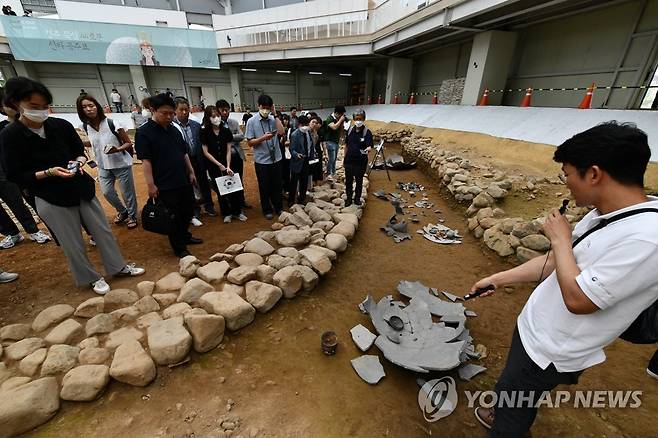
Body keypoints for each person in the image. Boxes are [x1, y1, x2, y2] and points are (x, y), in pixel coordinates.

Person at [471, 121, 658, 437]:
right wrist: (498, 278)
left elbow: (580, 300)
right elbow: (558, 264)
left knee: (513, 414)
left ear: (595, 174)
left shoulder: (646, 240)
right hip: (535, 334)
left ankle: (505, 423)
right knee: (511, 389)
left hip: (550, 352)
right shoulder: (603, 212)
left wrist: (559, 239)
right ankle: (503, 410)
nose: (567, 184)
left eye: (568, 174)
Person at [0, 77, 145, 295]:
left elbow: (79, 150)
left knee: (102, 231)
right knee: (72, 242)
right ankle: (91, 277)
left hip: (80, 188)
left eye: (44, 106)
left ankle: (118, 267)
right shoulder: (10, 135)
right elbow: (15, 174)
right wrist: (48, 172)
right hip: (50, 196)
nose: (40, 111)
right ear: (15, 104)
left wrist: (79, 162)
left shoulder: (60, 125)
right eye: (33, 107)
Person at [135, 93, 201, 258]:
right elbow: (146, 161)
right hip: (164, 183)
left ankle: (185, 236)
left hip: (182, 178)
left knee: (187, 211)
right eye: (165, 113)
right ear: (153, 110)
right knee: (173, 216)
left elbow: (184, 152)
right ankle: (179, 246)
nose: (169, 116)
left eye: (171, 113)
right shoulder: (144, 133)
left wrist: (191, 171)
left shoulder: (174, 129)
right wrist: (151, 185)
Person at [0, 87, 52, 249]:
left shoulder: (22, 127)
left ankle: (33, 229)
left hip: (11, 172)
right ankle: (11, 232)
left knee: (18, 201)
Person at [77, 94, 138, 229]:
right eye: (84, 107)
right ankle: (123, 211)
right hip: (103, 166)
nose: (88, 109)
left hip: (121, 164)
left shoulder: (112, 123)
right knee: (107, 192)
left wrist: (117, 149)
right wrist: (80, 143)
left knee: (127, 193)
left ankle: (132, 215)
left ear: (97, 107)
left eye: (91, 105)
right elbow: (94, 143)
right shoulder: (85, 127)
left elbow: (128, 143)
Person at [172, 96, 216, 226]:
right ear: (175, 110)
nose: (184, 112)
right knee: (189, 186)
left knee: (203, 183)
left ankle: (209, 206)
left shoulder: (196, 125)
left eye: (186, 109)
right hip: (184, 161)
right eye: (181, 110)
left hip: (198, 159)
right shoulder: (172, 127)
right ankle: (195, 209)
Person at [201, 106, 246, 223]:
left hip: (228, 163)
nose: (216, 118)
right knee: (221, 189)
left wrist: (228, 165)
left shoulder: (226, 131)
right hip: (213, 165)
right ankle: (226, 213)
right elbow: (205, 152)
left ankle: (237, 212)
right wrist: (219, 164)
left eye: (218, 115)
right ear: (208, 118)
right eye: (213, 116)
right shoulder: (204, 132)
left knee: (233, 188)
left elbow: (228, 150)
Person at [245, 95, 284, 219]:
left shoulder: (273, 119)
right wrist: (262, 138)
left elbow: (282, 132)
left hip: (276, 158)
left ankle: (278, 207)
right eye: (264, 108)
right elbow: (250, 142)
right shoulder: (251, 121)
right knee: (264, 186)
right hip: (262, 161)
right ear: (259, 106)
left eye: (268, 108)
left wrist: (275, 115)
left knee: (277, 185)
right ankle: (266, 209)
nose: (265, 110)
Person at [216, 99, 251, 209]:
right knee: (226, 180)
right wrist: (230, 137)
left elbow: (241, 136)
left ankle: (241, 201)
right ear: (218, 111)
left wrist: (228, 137)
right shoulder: (215, 124)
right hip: (224, 159)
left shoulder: (234, 122)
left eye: (227, 110)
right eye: (223, 110)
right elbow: (217, 140)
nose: (225, 112)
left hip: (237, 156)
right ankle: (230, 203)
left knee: (239, 179)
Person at [343, 109, 373, 207]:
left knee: (359, 181)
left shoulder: (367, 132)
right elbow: (346, 145)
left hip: (360, 162)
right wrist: (344, 157)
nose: (358, 120)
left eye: (360, 119)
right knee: (348, 181)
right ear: (354, 119)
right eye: (356, 118)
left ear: (364, 119)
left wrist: (368, 149)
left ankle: (357, 199)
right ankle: (348, 198)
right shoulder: (350, 130)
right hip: (349, 161)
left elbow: (369, 146)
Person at [288, 115, 315, 205]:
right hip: (297, 162)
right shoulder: (294, 134)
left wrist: (312, 155)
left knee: (304, 181)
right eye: (303, 124)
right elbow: (292, 149)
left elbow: (310, 145)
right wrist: (296, 155)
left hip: (306, 161)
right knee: (293, 182)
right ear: (299, 125)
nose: (305, 126)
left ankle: (301, 199)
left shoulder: (308, 133)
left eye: (306, 124)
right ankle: (291, 200)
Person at [323, 105, 346, 181]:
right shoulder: (329, 118)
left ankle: (333, 172)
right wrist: (340, 120)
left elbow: (341, 129)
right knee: (331, 159)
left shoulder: (339, 119)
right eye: (340, 115)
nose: (341, 116)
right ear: (336, 113)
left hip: (336, 142)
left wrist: (342, 122)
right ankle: (329, 173)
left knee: (334, 158)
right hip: (330, 141)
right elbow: (334, 127)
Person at [280, 114, 292, 196]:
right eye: (284, 119)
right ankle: (281, 190)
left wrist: (290, 142)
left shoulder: (291, 130)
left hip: (288, 153)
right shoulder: (278, 130)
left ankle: (287, 189)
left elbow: (294, 140)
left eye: (287, 119)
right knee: (280, 173)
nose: (285, 121)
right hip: (280, 154)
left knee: (287, 172)